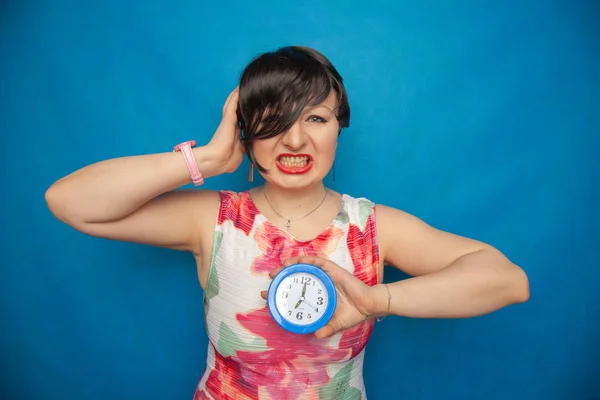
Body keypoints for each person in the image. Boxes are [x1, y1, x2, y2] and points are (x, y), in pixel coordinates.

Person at [45, 45, 530, 400]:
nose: (294, 140)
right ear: (248, 135)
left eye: (315, 119)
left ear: (339, 126)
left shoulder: (373, 229)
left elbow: (508, 281)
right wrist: (209, 159)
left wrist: (378, 299)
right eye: (274, 120)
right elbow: (70, 201)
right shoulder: (215, 219)